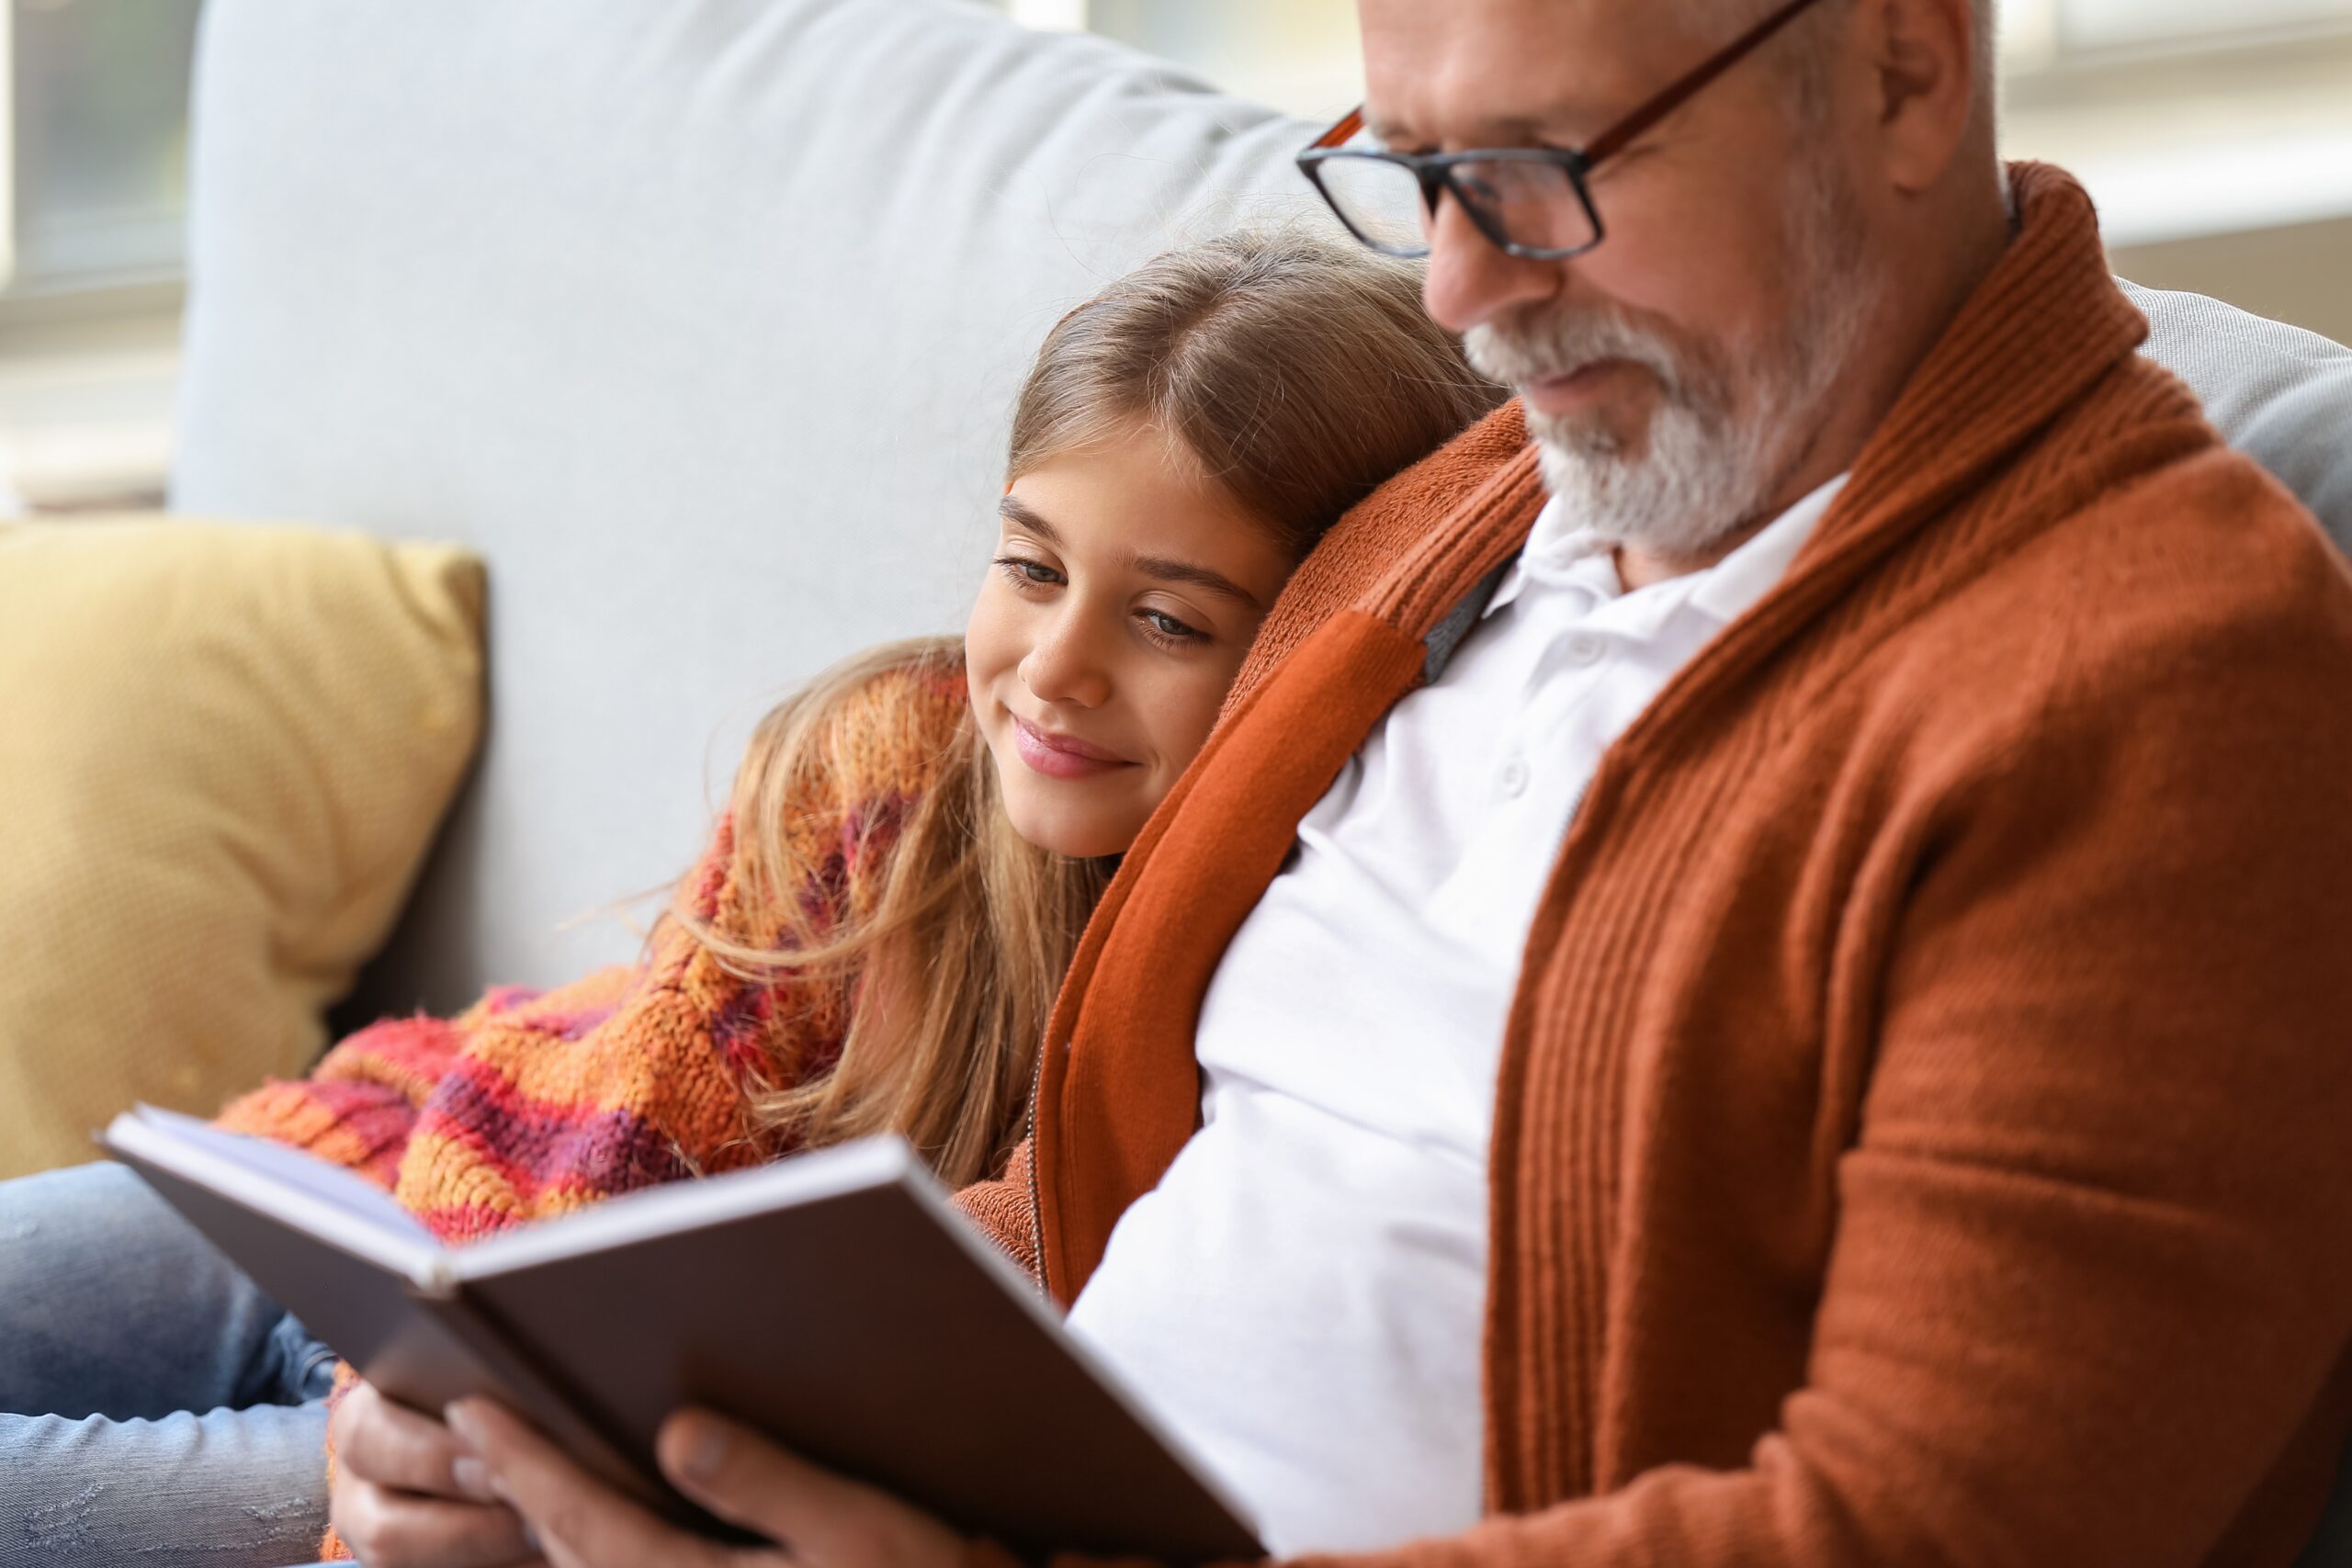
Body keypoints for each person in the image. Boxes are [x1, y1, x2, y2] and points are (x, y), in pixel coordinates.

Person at [402, 0, 2352, 1565]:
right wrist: (610, 1400)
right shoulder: (1468, 516)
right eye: (1412, 172)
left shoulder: (2165, 683)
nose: (1453, 292)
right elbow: (1128, 1197)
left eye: (1528, 174)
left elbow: (1930, 1524)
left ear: (1900, 70)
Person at [0, 229, 1505, 1568]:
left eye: (1170, 617)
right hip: (394, 1205)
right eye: (1030, 567)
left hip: (538, 1453)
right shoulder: (889, 765)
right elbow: (601, 1144)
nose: (1054, 667)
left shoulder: (1300, 1004)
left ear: (1314, 649)